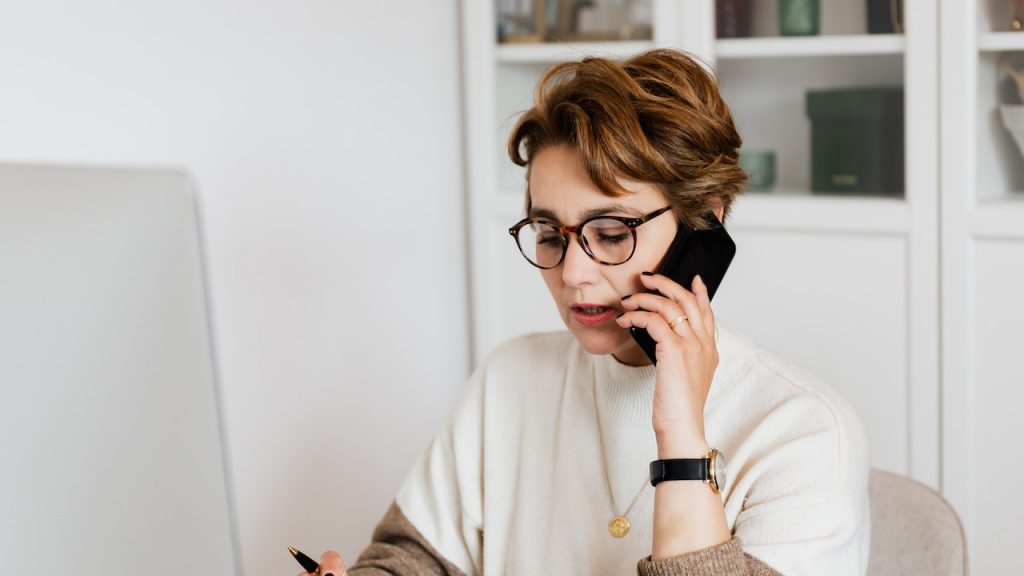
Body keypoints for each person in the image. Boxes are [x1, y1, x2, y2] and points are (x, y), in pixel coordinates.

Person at [305, 48, 871, 576]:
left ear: (705, 223)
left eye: (610, 231)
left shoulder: (804, 434)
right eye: (550, 232)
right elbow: (413, 555)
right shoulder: (509, 381)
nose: (573, 273)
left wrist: (680, 440)